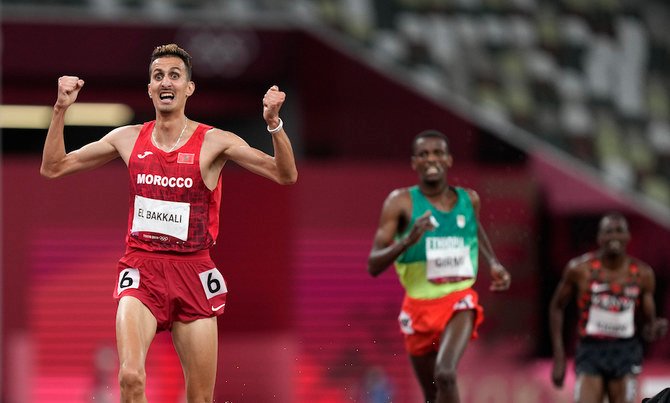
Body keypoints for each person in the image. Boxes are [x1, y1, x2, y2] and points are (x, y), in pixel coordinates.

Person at [40, 44, 298, 403]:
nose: (166, 82)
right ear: (149, 88)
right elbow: (53, 167)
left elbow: (285, 174)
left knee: (200, 397)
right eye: (158, 76)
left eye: (175, 76)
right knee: (130, 378)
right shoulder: (127, 138)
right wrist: (60, 109)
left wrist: (274, 123)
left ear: (188, 88)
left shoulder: (213, 142)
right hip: (142, 268)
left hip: (193, 272)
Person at [366, 129, 511, 403]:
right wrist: (407, 240)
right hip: (418, 308)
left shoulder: (470, 200)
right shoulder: (400, 203)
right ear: (414, 163)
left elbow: (473, 228)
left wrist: (494, 262)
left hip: (458, 301)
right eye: (423, 154)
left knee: (445, 374)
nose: (431, 159)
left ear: (449, 160)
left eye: (437, 153)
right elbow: (373, 265)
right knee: (432, 394)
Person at [549, 213, 668, 403]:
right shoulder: (580, 270)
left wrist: (654, 328)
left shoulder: (642, 275)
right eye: (608, 232)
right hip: (591, 349)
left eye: (619, 231)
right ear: (599, 238)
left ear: (628, 236)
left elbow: (648, 326)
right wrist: (559, 356)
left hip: (625, 351)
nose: (614, 236)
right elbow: (557, 307)